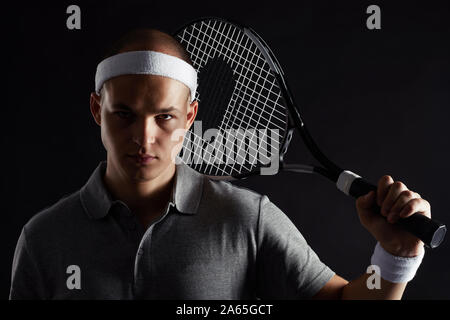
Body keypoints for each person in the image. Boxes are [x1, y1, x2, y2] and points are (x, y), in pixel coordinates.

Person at [9, 28, 431, 300]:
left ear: (190, 117)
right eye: (124, 115)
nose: (144, 137)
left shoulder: (246, 217)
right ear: (96, 109)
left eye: (165, 117)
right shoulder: (44, 237)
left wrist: (396, 257)